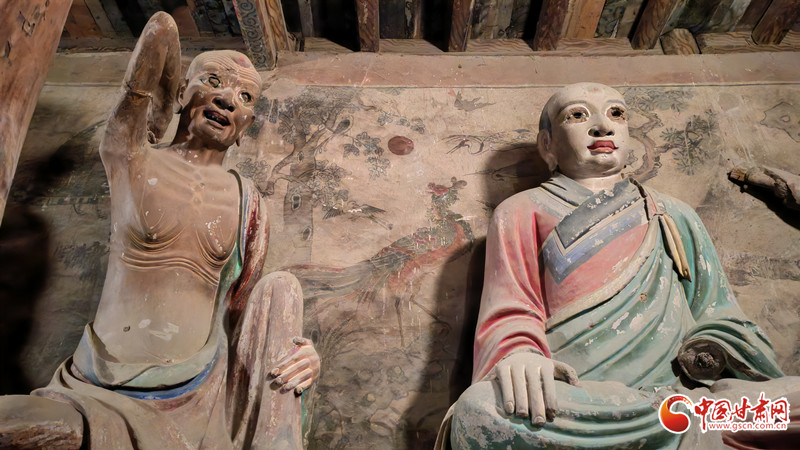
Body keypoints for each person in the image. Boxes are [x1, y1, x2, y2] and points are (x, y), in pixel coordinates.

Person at [0, 12, 318, 449]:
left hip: (202, 389)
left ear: (247, 124)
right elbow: (157, 38)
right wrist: (166, 51)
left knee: (283, 288)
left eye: (244, 96)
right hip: (102, 384)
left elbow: (242, 316)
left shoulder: (249, 201)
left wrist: (301, 354)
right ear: (183, 92)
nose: (227, 100)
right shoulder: (134, 159)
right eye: (213, 81)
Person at [437, 83, 798, 449]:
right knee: (479, 410)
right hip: (580, 402)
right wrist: (520, 356)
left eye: (616, 114)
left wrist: (712, 348)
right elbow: (512, 309)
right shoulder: (520, 211)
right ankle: (687, 421)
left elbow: (718, 312)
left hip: (675, 393)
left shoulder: (673, 214)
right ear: (547, 144)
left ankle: (688, 416)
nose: (602, 127)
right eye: (577, 115)